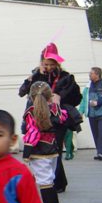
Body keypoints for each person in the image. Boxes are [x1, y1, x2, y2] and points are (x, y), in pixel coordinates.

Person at [18, 42, 81, 193]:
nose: (49, 67)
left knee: (55, 149)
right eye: (46, 64)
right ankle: (54, 181)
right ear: (41, 62)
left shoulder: (66, 77)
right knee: (42, 149)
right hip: (37, 118)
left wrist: (60, 96)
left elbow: (77, 98)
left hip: (57, 119)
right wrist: (36, 75)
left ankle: (55, 183)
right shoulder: (35, 75)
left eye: (52, 64)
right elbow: (22, 92)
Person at [23, 81, 67, 203]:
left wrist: (26, 154)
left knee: (44, 182)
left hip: (39, 152)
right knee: (50, 180)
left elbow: (33, 133)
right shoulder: (54, 108)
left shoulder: (31, 112)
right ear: (50, 95)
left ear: (31, 96)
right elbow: (63, 118)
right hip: (53, 149)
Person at [78, 67, 102, 160]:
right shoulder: (88, 86)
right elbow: (84, 100)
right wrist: (81, 111)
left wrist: (98, 102)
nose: (89, 75)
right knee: (95, 133)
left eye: (91, 73)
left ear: (97, 74)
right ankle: (99, 151)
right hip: (91, 114)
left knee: (101, 132)